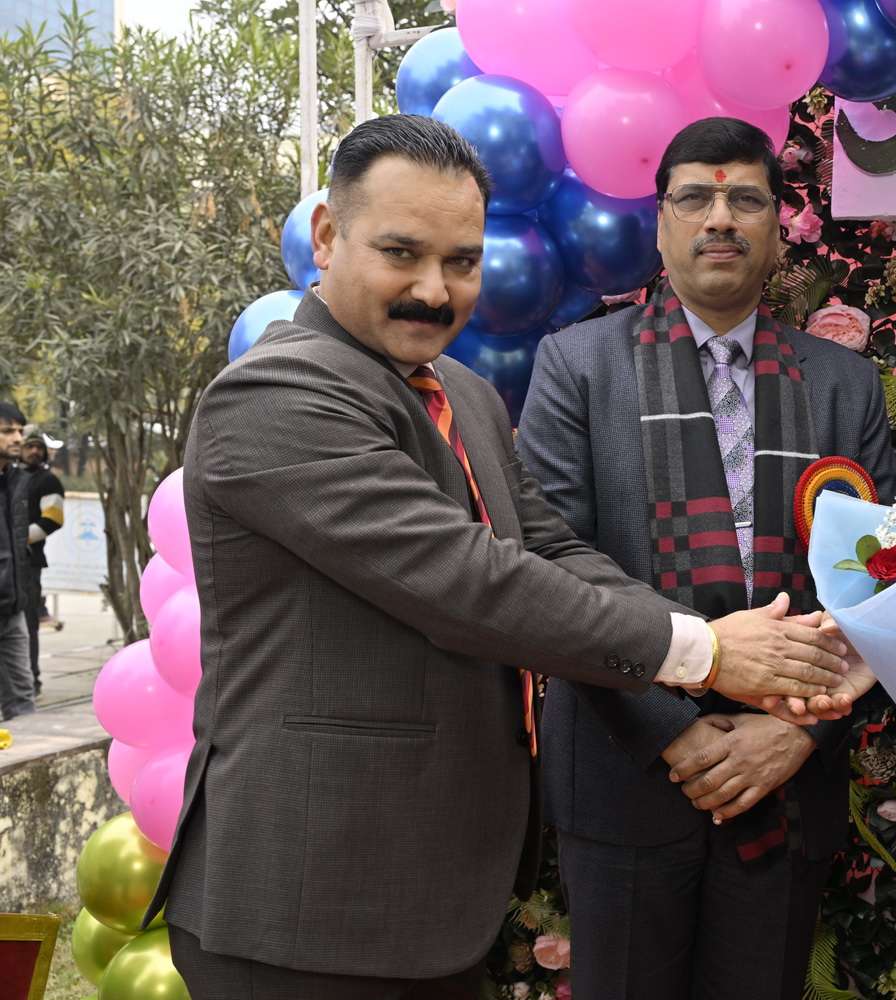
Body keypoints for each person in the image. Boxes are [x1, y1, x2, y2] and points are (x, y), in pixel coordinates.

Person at [143, 114, 852, 1000]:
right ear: (326, 236)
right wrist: (708, 652)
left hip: (426, 891)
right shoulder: (277, 392)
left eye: (462, 262)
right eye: (401, 253)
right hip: (307, 900)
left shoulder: (464, 395)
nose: (433, 291)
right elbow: (471, 582)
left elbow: (550, 547)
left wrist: (739, 654)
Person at [517, 117, 896, 1000]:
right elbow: (552, 566)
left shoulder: (843, 384)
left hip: (785, 773)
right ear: (661, 225)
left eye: (746, 201)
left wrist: (797, 734)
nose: (720, 218)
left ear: (777, 229)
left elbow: (884, 583)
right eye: (694, 198)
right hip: (624, 770)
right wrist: (678, 730)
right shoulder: (578, 367)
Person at [21, 425, 64, 695]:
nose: (35, 451)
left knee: (26, 623)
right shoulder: (10, 478)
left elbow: (53, 520)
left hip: (27, 563)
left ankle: (30, 681)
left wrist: (15, 540)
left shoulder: (48, 481)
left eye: (39, 447)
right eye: (30, 446)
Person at [0, 402, 35, 721]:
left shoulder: (17, 481)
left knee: (23, 701)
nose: (18, 438)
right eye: (8, 431)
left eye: (20, 431)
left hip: (13, 608)